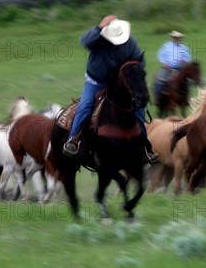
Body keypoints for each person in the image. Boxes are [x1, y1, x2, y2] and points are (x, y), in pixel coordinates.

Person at [63, 15, 159, 163]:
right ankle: (73, 139)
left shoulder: (130, 42)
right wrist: (99, 27)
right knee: (86, 105)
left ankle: (144, 146)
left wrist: (133, 73)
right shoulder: (97, 39)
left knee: (139, 109)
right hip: (95, 81)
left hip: (118, 84)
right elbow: (84, 41)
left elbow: (140, 60)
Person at [153, 30, 192, 100]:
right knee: (160, 81)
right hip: (168, 68)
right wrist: (164, 63)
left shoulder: (183, 47)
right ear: (172, 38)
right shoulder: (166, 46)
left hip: (180, 68)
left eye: (178, 38)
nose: (177, 39)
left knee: (187, 82)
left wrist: (184, 61)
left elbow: (188, 58)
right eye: (175, 37)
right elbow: (160, 55)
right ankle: (158, 99)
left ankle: (186, 99)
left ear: (180, 38)